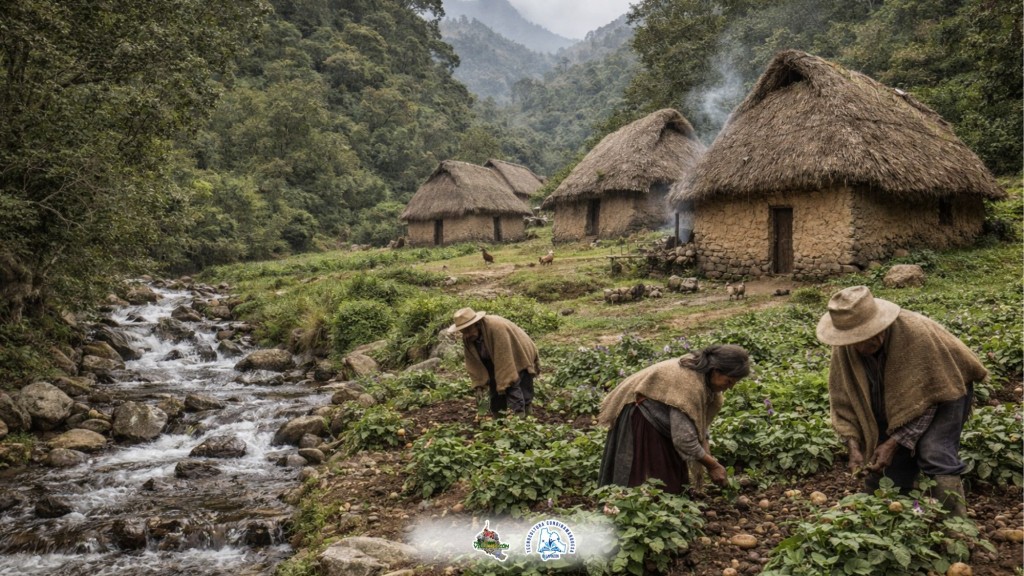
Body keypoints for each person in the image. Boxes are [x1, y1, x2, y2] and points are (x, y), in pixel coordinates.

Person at [816, 286, 987, 516]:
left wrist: (894, 442)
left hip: (947, 386)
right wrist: (854, 446)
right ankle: (897, 518)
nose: (860, 347)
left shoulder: (914, 335)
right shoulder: (846, 346)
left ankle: (958, 527)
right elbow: (844, 400)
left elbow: (925, 399)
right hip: (900, 398)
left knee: (934, 450)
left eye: (866, 337)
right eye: (854, 340)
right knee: (887, 462)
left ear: (881, 328)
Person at [597, 344, 751, 494]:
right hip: (642, 419)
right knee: (646, 480)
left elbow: (698, 423)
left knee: (668, 478)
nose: (730, 387)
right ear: (716, 370)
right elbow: (685, 440)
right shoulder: (688, 384)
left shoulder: (704, 380)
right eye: (729, 381)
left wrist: (707, 453)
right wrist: (713, 466)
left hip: (662, 421)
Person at [450, 307, 540, 417]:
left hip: (517, 350)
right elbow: (473, 362)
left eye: (468, 330)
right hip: (492, 356)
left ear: (477, 324)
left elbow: (505, 363)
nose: (467, 335)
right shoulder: (468, 338)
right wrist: (479, 383)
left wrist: (505, 382)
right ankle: (498, 417)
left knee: (514, 382)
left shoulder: (496, 328)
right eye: (463, 332)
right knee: (495, 385)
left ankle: (523, 415)